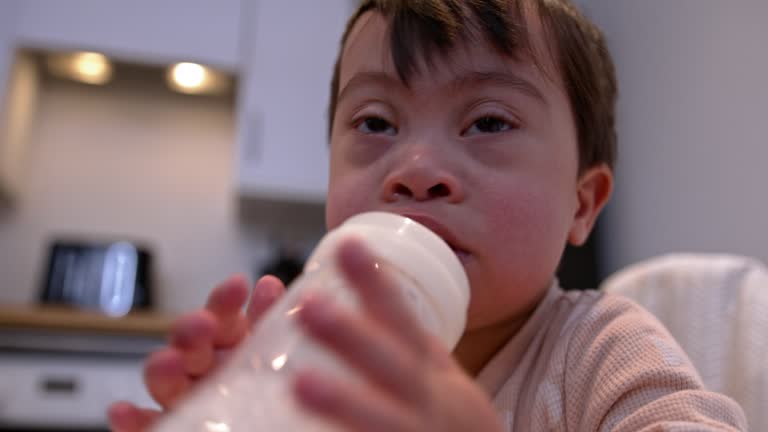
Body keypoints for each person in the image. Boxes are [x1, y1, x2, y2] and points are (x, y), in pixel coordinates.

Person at [108, 1, 748, 430]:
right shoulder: (314, 357)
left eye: (488, 122)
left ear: (581, 205)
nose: (415, 168)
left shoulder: (600, 350)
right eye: (377, 122)